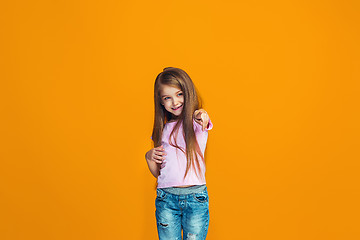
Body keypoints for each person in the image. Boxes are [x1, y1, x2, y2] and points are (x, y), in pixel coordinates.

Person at [145, 67, 213, 240]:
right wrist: (149, 157)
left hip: (195, 198)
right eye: (167, 98)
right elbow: (159, 173)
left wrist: (200, 113)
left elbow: (202, 116)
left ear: (188, 93)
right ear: (160, 102)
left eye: (179, 94)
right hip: (166, 199)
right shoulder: (161, 130)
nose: (174, 102)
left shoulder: (196, 123)